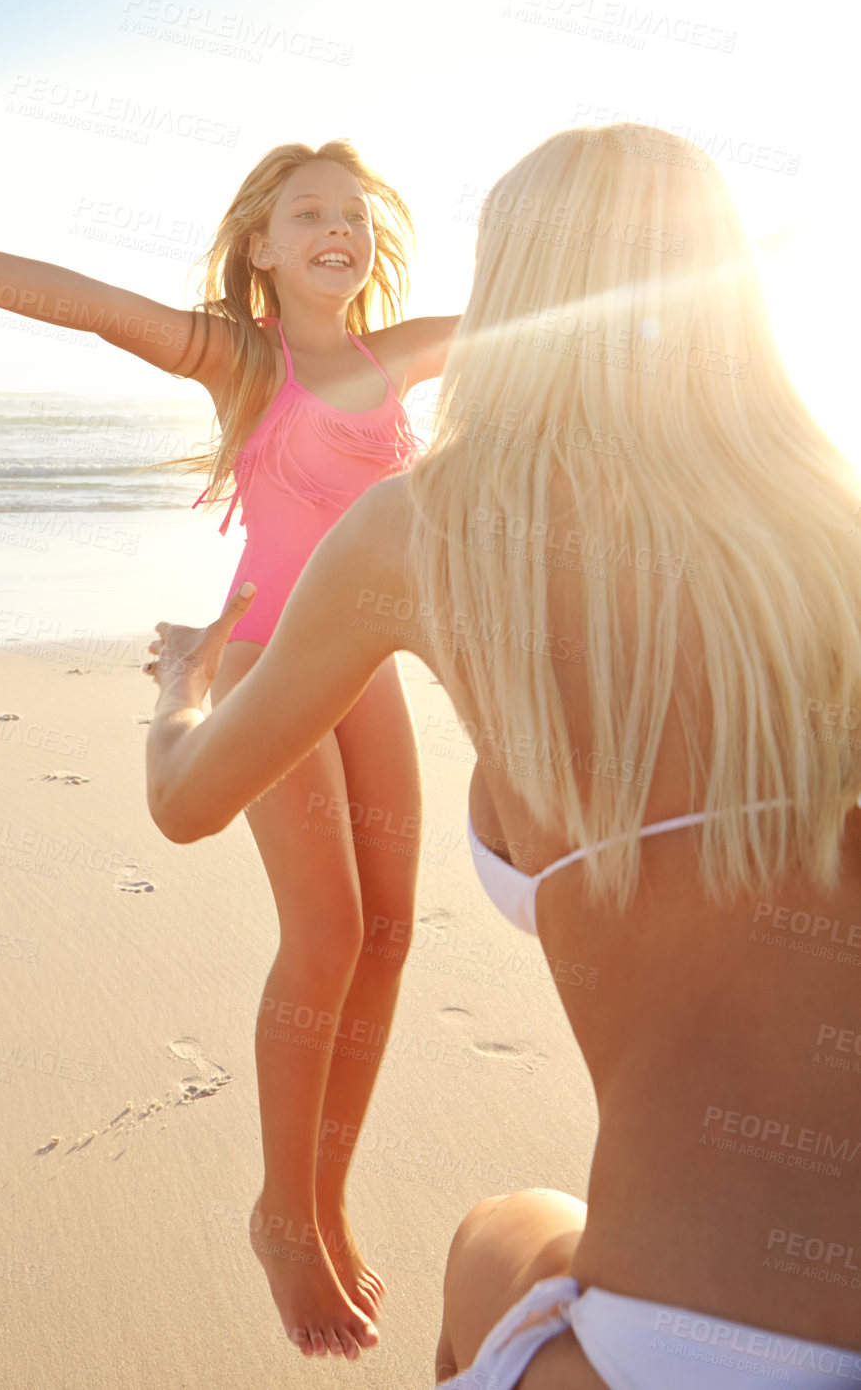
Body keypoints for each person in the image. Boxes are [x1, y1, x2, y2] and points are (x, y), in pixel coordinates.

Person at [143, 124, 861, 1385]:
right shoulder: (827, 526)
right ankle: (290, 1215)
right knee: (503, 1221)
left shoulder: (434, 526)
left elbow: (186, 804)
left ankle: (295, 1217)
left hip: (698, 1336)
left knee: (492, 1235)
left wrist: (176, 688)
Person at [0, 141, 459, 1361]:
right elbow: (87, 307)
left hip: (366, 665)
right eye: (306, 213)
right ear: (262, 247)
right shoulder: (242, 356)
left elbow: (560, 314)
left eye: (352, 213)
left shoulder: (394, 355)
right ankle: (279, 1215)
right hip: (269, 657)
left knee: (394, 932)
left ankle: (326, 1191)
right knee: (329, 935)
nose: (333, 229)